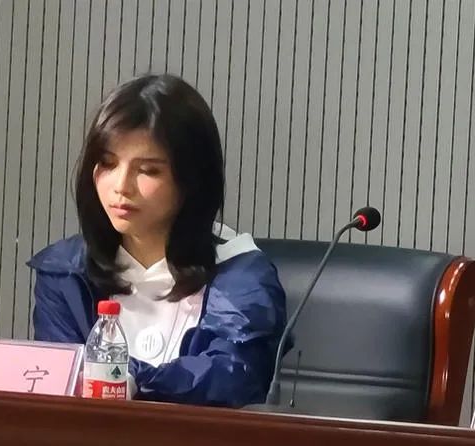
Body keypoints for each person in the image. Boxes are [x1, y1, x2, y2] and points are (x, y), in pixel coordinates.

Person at [27, 74, 288, 408]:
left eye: (148, 170)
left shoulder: (240, 272)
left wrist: (132, 377)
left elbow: (234, 377)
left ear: (192, 179)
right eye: (107, 163)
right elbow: (63, 388)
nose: (121, 186)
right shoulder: (66, 271)